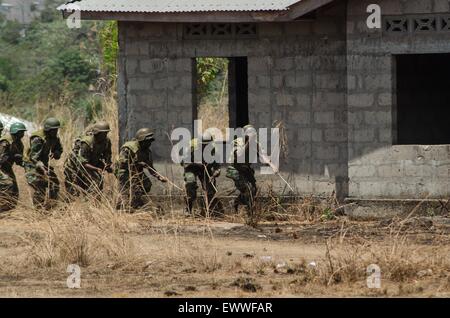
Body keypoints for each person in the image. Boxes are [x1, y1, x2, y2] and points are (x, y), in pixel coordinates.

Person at [115, 128, 167, 211]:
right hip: (123, 171)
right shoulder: (129, 148)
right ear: (141, 140)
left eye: (150, 141)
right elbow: (122, 164)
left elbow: (150, 167)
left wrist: (159, 177)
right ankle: (124, 205)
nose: (149, 143)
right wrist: (138, 164)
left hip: (136, 172)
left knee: (147, 184)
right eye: (147, 141)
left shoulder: (147, 152)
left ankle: (135, 201)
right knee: (134, 187)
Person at [64, 121, 112, 198]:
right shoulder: (87, 143)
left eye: (106, 133)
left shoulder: (106, 141)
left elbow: (108, 155)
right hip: (74, 167)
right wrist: (97, 169)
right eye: (103, 133)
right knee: (74, 191)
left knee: (97, 182)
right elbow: (83, 163)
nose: (105, 135)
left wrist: (108, 165)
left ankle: (93, 204)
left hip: (90, 164)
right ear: (97, 133)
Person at [226, 124, 265, 217]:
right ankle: (250, 213)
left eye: (254, 134)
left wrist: (271, 164)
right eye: (250, 134)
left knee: (254, 190)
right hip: (235, 169)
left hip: (246, 169)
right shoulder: (237, 142)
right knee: (248, 189)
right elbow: (239, 155)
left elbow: (263, 157)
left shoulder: (256, 144)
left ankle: (236, 202)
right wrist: (248, 143)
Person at [24, 117, 63, 209]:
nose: (56, 131)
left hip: (44, 164)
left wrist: (56, 153)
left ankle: (51, 206)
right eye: (54, 130)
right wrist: (42, 168)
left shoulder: (55, 138)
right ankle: (38, 210)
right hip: (32, 164)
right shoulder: (38, 139)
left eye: (57, 129)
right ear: (48, 129)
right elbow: (34, 158)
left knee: (54, 183)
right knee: (39, 185)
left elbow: (59, 150)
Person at [182, 132, 222, 217]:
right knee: (190, 186)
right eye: (203, 145)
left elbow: (217, 167)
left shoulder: (214, 150)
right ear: (199, 144)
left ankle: (209, 210)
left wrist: (214, 175)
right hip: (191, 169)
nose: (205, 147)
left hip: (205, 169)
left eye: (207, 145)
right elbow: (183, 163)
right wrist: (195, 163)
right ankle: (188, 209)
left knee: (210, 188)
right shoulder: (191, 148)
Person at [0, 123, 27, 212]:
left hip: (7, 167)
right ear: (15, 132)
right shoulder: (6, 142)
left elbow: (19, 161)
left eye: (23, 132)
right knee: (8, 184)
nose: (23, 134)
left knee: (15, 188)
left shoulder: (19, 144)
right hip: (1, 167)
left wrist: (25, 164)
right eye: (21, 132)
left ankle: (9, 209)